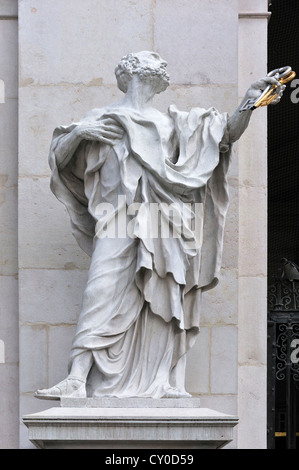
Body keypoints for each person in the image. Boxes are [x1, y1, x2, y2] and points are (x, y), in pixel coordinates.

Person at [35, 51, 284, 399]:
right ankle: (77, 378)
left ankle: (165, 382)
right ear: (132, 70)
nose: (163, 64)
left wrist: (248, 102)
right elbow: (60, 164)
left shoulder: (173, 124)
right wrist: (80, 134)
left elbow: (222, 135)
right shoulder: (101, 118)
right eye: (153, 59)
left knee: (168, 297)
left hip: (164, 221)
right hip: (118, 218)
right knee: (100, 291)